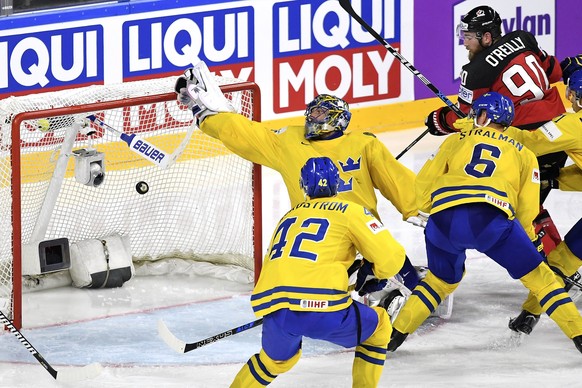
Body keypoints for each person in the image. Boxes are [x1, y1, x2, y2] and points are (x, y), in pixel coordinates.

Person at [174, 61, 426, 298]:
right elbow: (243, 133)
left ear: (337, 118)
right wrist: (204, 111)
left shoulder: (364, 143)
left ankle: (413, 292)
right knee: (332, 279)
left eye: (319, 113)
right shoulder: (289, 141)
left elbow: (393, 177)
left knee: (390, 259)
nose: (311, 118)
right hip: (323, 232)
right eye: (311, 112)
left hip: (361, 228)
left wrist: (415, 206)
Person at [387, 91, 582, 354]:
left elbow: (421, 190)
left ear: (482, 115)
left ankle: (393, 337)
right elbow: (526, 212)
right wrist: (532, 246)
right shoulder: (524, 154)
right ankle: (579, 336)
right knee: (544, 281)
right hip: (491, 221)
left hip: (443, 221)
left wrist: (429, 212)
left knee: (438, 281)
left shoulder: (455, 140)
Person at [230, 156, 405, 387]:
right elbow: (392, 258)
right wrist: (374, 272)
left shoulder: (289, 216)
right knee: (380, 327)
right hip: (324, 310)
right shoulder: (350, 211)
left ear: (303, 186)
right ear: (337, 183)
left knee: (274, 361)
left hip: (276, 308)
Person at [424, 5, 566, 255]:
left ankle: (550, 267)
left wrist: (439, 120)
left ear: (486, 37)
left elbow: (470, 118)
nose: (465, 44)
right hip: (560, 133)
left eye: (468, 37)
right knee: (531, 203)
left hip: (527, 142)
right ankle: (556, 261)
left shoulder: (474, 71)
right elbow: (554, 71)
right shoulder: (524, 38)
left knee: (518, 207)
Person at [466, 59, 582, 336]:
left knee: (562, 260)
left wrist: (488, 127)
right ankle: (529, 315)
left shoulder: (572, 124)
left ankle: (531, 312)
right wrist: (555, 180)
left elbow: (529, 143)